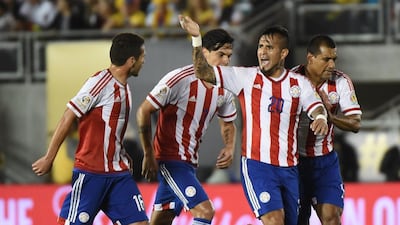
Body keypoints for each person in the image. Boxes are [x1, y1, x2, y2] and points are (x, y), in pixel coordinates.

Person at [179, 15, 329, 225]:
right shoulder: (245, 77)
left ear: (283, 53)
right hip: (258, 166)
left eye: (269, 47)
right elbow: (202, 72)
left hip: (290, 168)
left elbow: (316, 106)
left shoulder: (299, 83)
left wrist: (320, 117)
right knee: (274, 220)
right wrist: (196, 38)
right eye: (260, 46)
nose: (262, 52)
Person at [32, 33, 149, 225]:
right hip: (91, 175)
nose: (144, 61)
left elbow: (109, 129)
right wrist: (49, 158)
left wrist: (121, 153)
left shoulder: (124, 87)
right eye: (143, 56)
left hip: (118, 174)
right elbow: (67, 117)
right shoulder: (99, 83)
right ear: (131, 60)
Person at [136, 28, 237, 225]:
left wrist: (229, 147)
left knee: (162, 219)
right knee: (205, 211)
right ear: (205, 52)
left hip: (189, 162)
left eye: (229, 56)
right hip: (170, 159)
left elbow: (227, 122)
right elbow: (144, 111)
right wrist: (148, 153)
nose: (226, 61)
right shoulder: (179, 79)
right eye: (221, 55)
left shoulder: (225, 88)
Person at [291, 34, 362, 225]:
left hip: (325, 162)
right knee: (299, 219)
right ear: (310, 58)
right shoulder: (290, 80)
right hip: (293, 162)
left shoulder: (340, 82)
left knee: (331, 218)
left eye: (334, 59)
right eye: (326, 59)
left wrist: (330, 117)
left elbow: (355, 123)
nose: (332, 65)